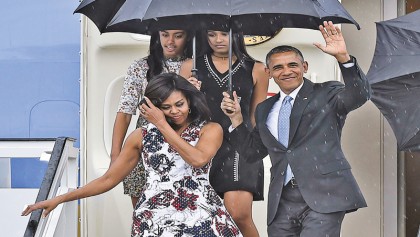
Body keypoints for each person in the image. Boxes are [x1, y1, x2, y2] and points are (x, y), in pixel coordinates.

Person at [22, 73, 243, 237]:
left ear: (190, 101)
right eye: (166, 107)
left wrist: (160, 124)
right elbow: (108, 179)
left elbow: (197, 159)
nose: (175, 111)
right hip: (154, 220)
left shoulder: (210, 129)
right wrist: (60, 198)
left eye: (180, 104)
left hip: (201, 218)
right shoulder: (140, 136)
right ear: (153, 107)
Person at [220, 21, 371, 237]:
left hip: (324, 192)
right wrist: (236, 120)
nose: (286, 71)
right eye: (278, 67)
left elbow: (359, 95)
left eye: (293, 65)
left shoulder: (327, 92)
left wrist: (343, 59)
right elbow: (252, 152)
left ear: (304, 67)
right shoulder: (264, 109)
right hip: (282, 199)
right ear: (268, 72)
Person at [180, 30, 269, 236]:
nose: (218, 40)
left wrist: (259, 149)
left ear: (237, 34)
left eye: (224, 34)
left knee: (238, 214)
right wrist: (187, 92)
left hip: (240, 143)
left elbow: (257, 116)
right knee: (200, 217)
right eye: (211, 34)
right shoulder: (189, 66)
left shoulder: (256, 69)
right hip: (202, 143)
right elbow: (177, 113)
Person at [112, 29, 192, 208]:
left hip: (183, 140)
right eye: (164, 34)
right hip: (145, 141)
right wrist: (115, 155)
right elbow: (125, 112)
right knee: (143, 212)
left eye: (178, 35)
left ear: (188, 37)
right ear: (157, 36)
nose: (170, 41)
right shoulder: (140, 67)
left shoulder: (197, 67)